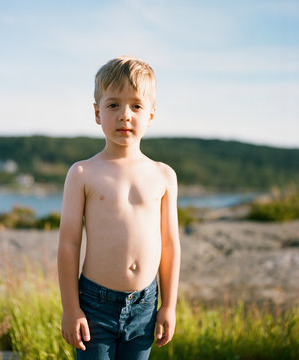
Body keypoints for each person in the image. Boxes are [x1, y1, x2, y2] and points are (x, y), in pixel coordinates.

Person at [57, 55, 181, 360]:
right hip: (94, 306)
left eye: (136, 106)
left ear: (151, 114)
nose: (125, 115)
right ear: (98, 113)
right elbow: (69, 243)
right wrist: (71, 308)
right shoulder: (83, 173)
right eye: (113, 105)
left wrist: (168, 305)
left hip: (145, 306)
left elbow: (170, 244)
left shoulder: (163, 175)